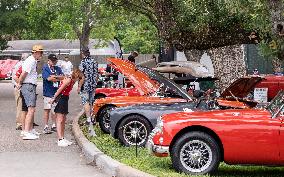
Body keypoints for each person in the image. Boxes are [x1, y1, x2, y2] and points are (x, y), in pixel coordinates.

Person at [49, 69, 83, 147]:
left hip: (65, 98)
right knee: (59, 119)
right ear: (77, 76)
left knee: (63, 119)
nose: (79, 80)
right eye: (79, 78)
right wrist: (53, 98)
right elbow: (60, 89)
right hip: (61, 98)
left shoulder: (72, 80)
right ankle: (60, 139)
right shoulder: (68, 80)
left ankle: (63, 137)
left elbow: (61, 78)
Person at [16, 44, 43, 140]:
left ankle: (26, 130)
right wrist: (19, 83)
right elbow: (24, 74)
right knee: (31, 109)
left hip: (27, 86)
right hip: (28, 86)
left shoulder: (32, 61)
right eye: (40, 52)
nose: (41, 54)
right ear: (35, 52)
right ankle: (27, 132)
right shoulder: (31, 61)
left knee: (26, 109)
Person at [42, 54, 64, 134]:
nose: (54, 62)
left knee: (54, 110)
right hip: (48, 92)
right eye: (52, 61)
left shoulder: (57, 68)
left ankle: (54, 125)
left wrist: (54, 77)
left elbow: (63, 77)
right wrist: (56, 77)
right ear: (48, 60)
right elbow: (48, 78)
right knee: (47, 109)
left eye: (55, 61)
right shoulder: (45, 68)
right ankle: (46, 126)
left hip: (56, 92)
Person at [79, 48, 98, 125]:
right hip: (93, 85)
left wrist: (79, 86)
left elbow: (81, 76)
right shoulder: (94, 61)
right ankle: (92, 118)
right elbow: (97, 75)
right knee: (91, 102)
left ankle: (88, 119)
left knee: (85, 102)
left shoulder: (83, 62)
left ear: (83, 53)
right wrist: (95, 84)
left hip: (85, 85)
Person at [12, 53, 29, 130]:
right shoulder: (19, 65)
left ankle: (27, 122)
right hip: (19, 88)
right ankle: (19, 124)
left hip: (23, 87)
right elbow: (15, 77)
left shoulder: (23, 64)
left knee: (25, 106)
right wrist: (20, 84)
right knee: (20, 106)